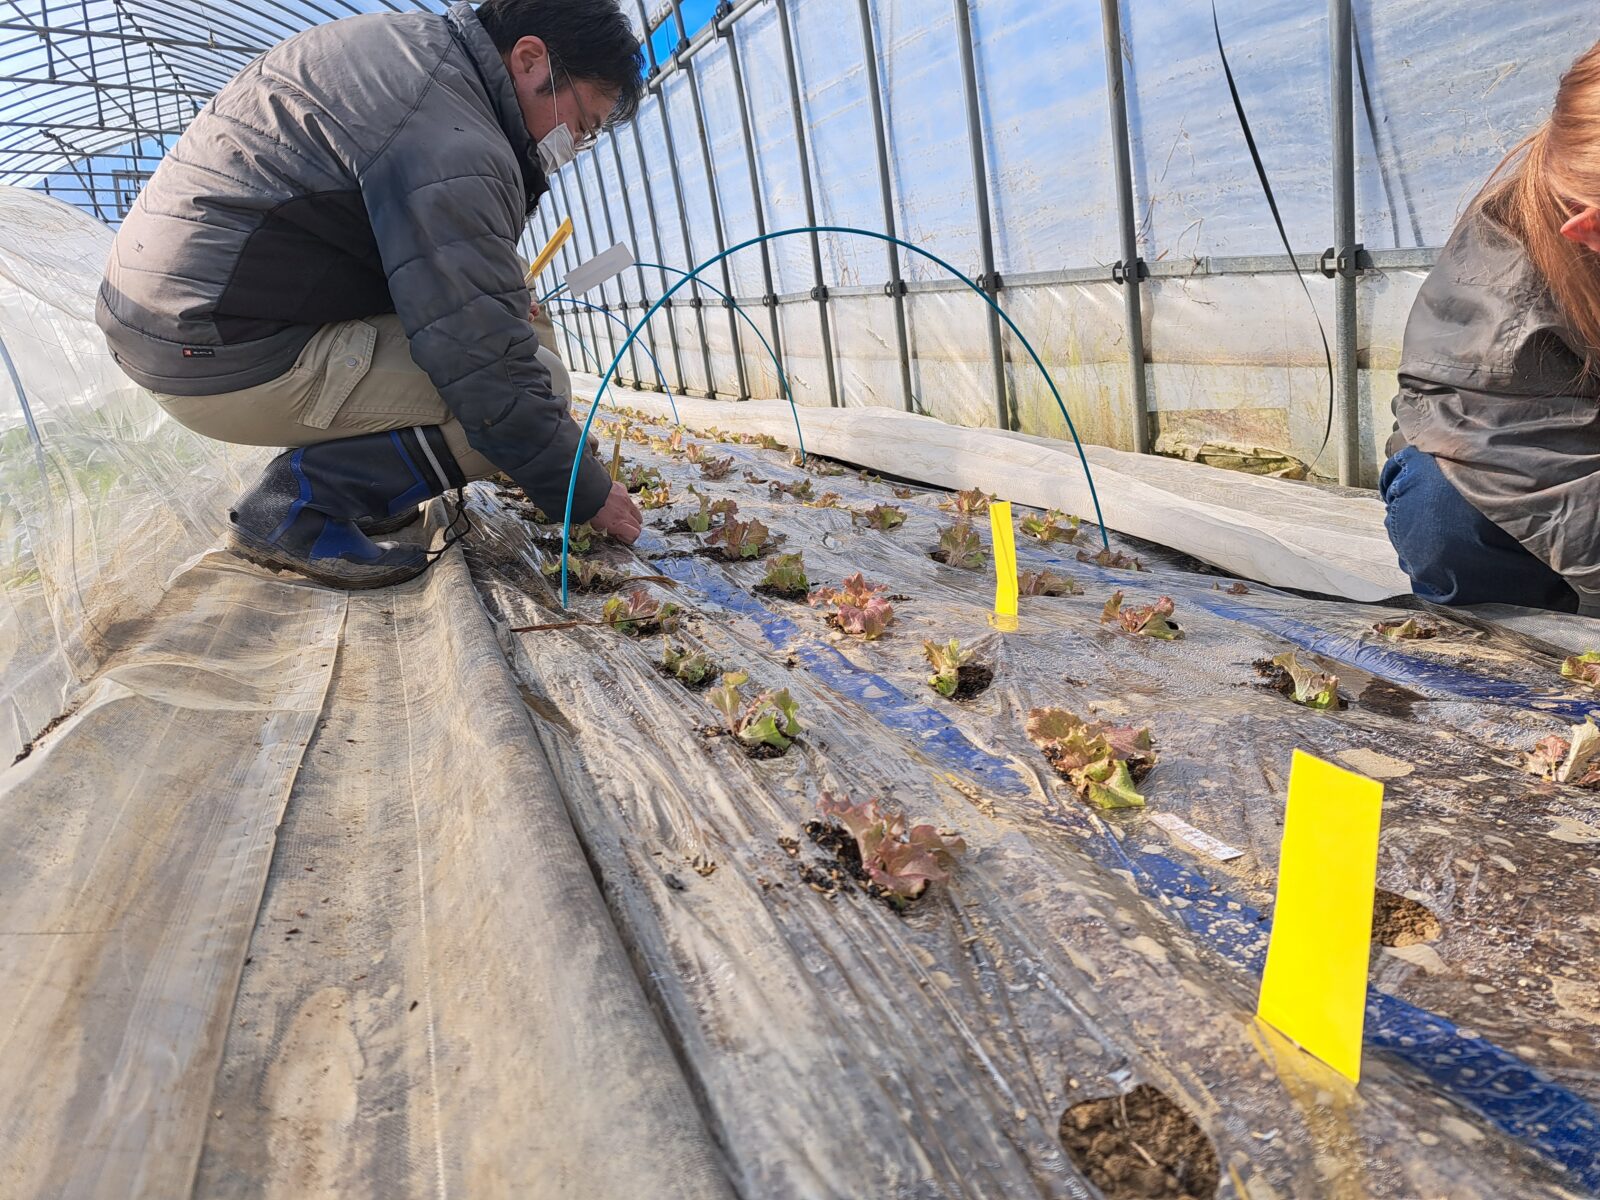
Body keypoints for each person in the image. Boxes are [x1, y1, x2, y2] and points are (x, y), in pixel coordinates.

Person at [96, 0, 644, 588]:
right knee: (531, 384)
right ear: (531, 60)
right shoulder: (449, 131)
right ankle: (296, 505)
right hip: (214, 348)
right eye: (580, 126)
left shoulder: (415, 57)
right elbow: (486, 368)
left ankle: (369, 479)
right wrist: (583, 494)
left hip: (181, 319)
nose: (569, 148)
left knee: (520, 332)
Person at [1382, 42, 1600, 615]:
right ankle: (1498, 638)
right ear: (1593, 229)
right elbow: (1546, 478)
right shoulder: (1504, 294)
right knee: (1442, 504)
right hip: (1528, 474)